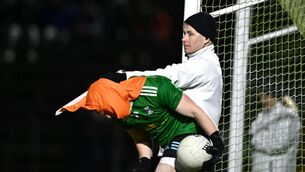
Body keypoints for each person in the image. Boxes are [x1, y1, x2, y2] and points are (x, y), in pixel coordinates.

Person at [101, 11, 223, 170]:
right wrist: (145, 161)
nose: (183, 38)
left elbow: (164, 76)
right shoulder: (202, 62)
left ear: (206, 38)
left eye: (190, 34)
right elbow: (139, 133)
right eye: (184, 33)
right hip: (184, 141)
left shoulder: (202, 65)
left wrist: (126, 75)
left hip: (193, 140)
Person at [57, 75, 224, 172]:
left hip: (190, 133)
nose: (107, 117)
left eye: (103, 111)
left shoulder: (156, 88)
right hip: (168, 146)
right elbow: (140, 136)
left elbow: (196, 111)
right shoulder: (118, 113)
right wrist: (144, 162)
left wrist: (216, 139)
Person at [250, 85, 300, 172]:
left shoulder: (288, 114)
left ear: (273, 97)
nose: (262, 101)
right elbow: (253, 138)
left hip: (280, 164)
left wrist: (261, 143)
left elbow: (282, 143)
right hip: (261, 164)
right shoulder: (261, 115)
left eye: (265, 98)